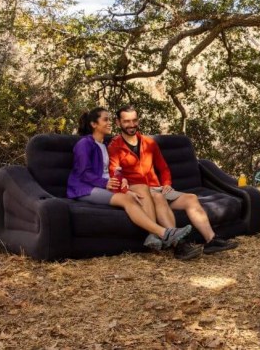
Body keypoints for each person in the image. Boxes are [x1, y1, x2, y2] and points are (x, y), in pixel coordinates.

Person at [109, 105, 237, 259]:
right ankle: (180, 246)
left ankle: (211, 240)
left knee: (191, 198)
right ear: (118, 123)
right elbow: (115, 174)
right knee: (158, 197)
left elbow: (163, 168)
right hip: (139, 191)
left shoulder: (149, 143)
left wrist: (167, 184)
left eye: (134, 120)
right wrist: (126, 191)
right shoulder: (114, 146)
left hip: (157, 188)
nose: (131, 124)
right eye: (127, 121)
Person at [66, 107, 192, 253]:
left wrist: (122, 183)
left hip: (101, 185)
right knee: (127, 200)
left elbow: (109, 172)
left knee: (141, 189)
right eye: (105, 120)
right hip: (84, 189)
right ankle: (163, 233)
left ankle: (154, 236)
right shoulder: (84, 144)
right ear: (94, 124)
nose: (109, 123)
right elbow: (83, 173)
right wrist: (106, 183)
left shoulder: (104, 145)